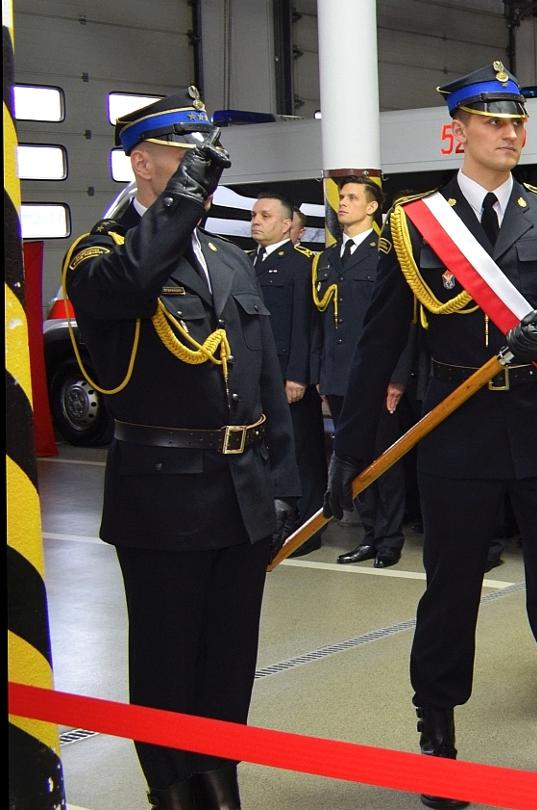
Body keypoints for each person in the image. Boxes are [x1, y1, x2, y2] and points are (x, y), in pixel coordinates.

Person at [324, 62, 537, 807]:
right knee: (450, 591)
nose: (508, 132)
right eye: (492, 121)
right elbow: (378, 344)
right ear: (455, 131)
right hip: (455, 433)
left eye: (516, 121)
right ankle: (438, 741)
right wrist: (350, 448)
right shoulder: (413, 223)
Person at [64, 87, 297, 810]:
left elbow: (260, 373)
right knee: (166, 655)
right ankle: (169, 786)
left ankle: (219, 778)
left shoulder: (227, 260)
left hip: (240, 487)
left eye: (206, 156)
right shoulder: (99, 254)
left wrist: (282, 481)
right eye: (185, 156)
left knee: (229, 656)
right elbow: (131, 283)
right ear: (142, 163)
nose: (204, 168)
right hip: (163, 489)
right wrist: (183, 198)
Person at [314, 176, 411, 568]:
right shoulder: (328, 257)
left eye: (353, 198)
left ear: (373, 207)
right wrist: (322, 373)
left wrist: (397, 377)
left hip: (376, 377)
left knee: (383, 461)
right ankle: (369, 533)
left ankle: (390, 539)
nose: (344, 204)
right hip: (339, 377)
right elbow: (323, 323)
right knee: (349, 459)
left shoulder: (384, 252)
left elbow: (400, 322)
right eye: (342, 198)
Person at [248, 192, 326, 557]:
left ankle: (308, 530)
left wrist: (297, 375)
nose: (256, 221)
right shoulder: (246, 263)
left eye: (265, 215)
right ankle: (273, 524)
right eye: (254, 215)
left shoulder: (300, 264)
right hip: (257, 376)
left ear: (286, 225)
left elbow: (303, 324)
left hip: (287, 376)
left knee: (301, 453)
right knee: (266, 452)